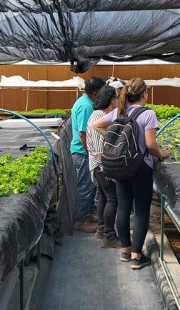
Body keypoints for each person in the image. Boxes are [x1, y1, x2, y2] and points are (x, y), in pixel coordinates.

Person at [93, 78, 170, 270]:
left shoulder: (120, 111)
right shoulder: (148, 114)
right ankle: (137, 256)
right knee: (142, 210)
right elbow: (151, 144)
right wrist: (161, 154)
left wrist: (118, 143)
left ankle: (126, 251)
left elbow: (97, 125)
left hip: (120, 166)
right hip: (140, 167)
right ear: (144, 93)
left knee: (123, 207)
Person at [86, 84, 120, 247]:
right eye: (117, 98)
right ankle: (109, 236)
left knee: (103, 196)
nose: (119, 101)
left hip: (96, 165)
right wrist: (106, 169)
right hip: (101, 165)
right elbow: (101, 150)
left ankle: (101, 229)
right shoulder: (99, 118)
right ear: (111, 100)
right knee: (112, 199)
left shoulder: (96, 114)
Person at [71, 76, 106, 233]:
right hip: (82, 152)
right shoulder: (85, 106)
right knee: (85, 186)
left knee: (91, 185)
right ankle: (81, 220)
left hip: (84, 152)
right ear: (96, 92)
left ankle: (89, 213)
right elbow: (82, 133)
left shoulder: (86, 102)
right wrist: (90, 152)